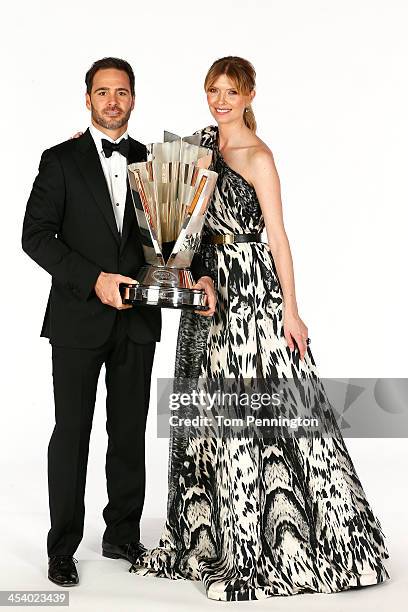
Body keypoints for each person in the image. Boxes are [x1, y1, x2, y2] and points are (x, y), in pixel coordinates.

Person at [129, 56, 390, 601]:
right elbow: (182, 223)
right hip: (209, 290)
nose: (220, 101)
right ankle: (214, 533)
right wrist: (188, 270)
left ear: (249, 95)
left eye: (231, 91)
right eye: (213, 91)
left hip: (253, 294)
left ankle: (278, 538)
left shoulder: (259, 157)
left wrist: (291, 309)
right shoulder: (199, 148)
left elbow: (278, 236)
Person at [21, 57, 215, 588]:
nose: (112, 101)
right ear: (88, 99)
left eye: (121, 92)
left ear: (133, 99)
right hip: (78, 320)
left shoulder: (154, 161)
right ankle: (62, 548)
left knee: (128, 432)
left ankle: (122, 535)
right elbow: (35, 236)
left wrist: (194, 276)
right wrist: (95, 279)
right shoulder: (59, 160)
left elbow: (175, 232)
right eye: (102, 92)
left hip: (138, 320)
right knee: (72, 435)